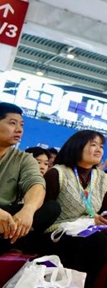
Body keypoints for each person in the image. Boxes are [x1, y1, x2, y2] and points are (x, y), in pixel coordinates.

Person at [43, 130, 107, 288]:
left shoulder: (104, 179)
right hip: (59, 232)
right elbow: (44, 214)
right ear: (77, 147)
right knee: (98, 241)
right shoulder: (57, 173)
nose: (99, 150)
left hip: (92, 231)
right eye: (93, 145)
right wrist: (89, 223)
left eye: (101, 146)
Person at [0, 104, 59, 255]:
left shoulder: (23, 159)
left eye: (21, 125)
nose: (19, 129)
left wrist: (28, 210)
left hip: (6, 219)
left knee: (51, 208)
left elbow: (36, 184)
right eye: (12, 123)